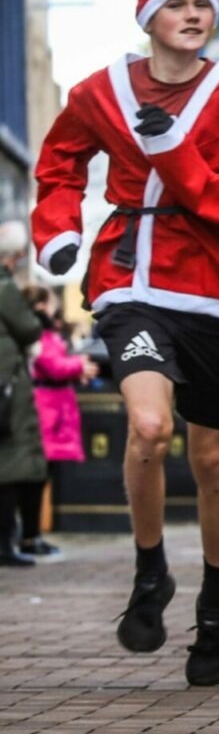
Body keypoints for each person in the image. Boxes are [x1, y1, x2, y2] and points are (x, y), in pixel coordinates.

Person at [31, 0, 219, 685]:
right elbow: (59, 163)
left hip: (210, 287)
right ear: (148, 17)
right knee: (147, 426)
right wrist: (58, 228)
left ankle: (217, 600)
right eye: (178, 4)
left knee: (209, 457)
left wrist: (176, 155)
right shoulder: (101, 90)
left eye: (202, 4)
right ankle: (148, 570)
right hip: (128, 276)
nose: (194, 16)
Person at [28, 284, 96, 560]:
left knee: (43, 474)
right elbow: (52, 364)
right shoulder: (39, 332)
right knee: (36, 474)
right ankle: (30, 535)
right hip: (48, 408)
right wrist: (79, 365)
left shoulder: (45, 331)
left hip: (55, 407)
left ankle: (33, 534)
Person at [0, 222, 50, 567]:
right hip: (6, 386)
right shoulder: (4, 287)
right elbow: (29, 328)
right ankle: (7, 544)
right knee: (11, 466)